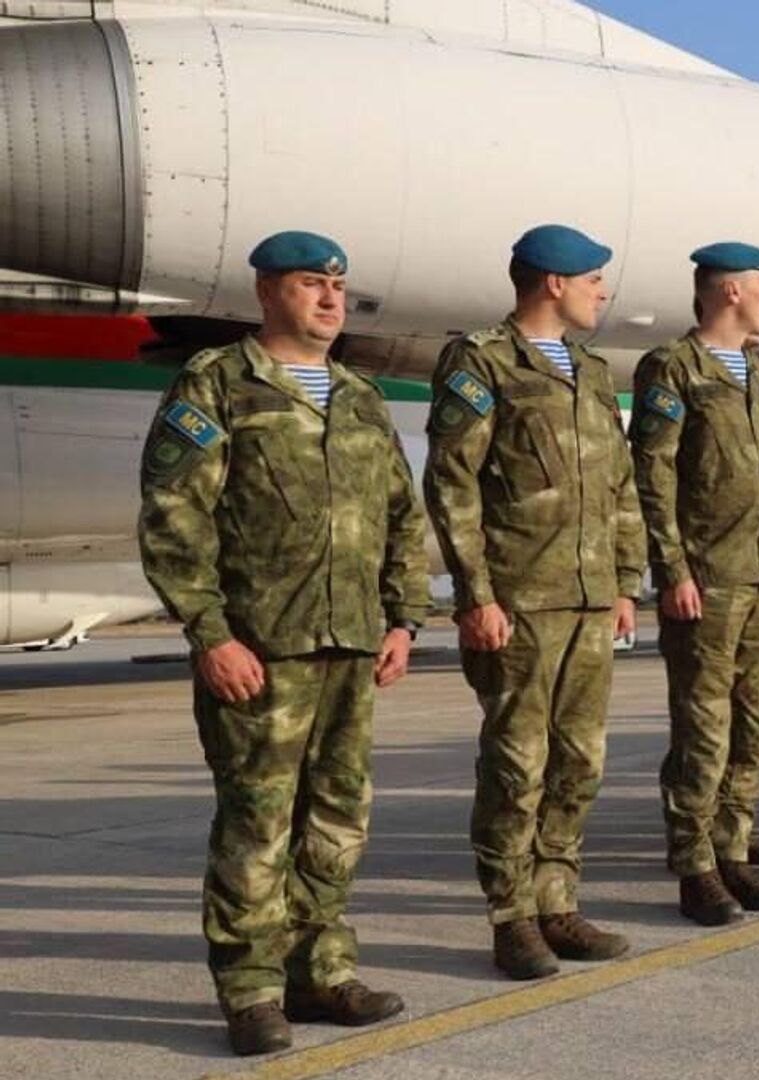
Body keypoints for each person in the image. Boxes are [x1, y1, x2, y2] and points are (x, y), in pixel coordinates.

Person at [140, 231, 431, 1054]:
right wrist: (210, 634)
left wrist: (403, 619)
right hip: (261, 650)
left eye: (338, 287)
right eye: (311, 284)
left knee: (337, 820)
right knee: (257, 824)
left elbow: (400, 517)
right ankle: (251, 990)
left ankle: (322, 971)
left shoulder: (359, 395)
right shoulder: (218, 383)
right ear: (268, 292)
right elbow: (174, 516)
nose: (332, 300)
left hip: (352, 645)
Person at [426, 224, 647, 974]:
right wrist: (475, 594)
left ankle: (558, 902)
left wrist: (624, 582)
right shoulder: (482, 360)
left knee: (579, 760)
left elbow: (619, 486)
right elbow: (453, 482)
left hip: (588, 599)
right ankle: (512, 916)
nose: (601, 293)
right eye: (592, 280)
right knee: (517, 765)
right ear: (554, 282)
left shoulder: (590, 371)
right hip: (520, 599)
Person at [630, 241, 759, 926]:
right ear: (731, 291)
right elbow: (654, 473)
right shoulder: (674, 368)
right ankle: (695, 866)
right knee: (703, 730)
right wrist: (672, 569)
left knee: (753, 727)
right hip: (708, 580)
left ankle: (731, 850)